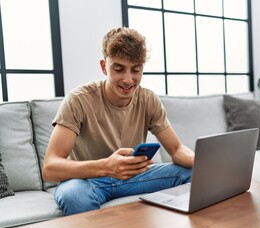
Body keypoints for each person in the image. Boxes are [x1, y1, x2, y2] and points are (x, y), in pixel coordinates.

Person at [42, 27, 194, 216]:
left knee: (197, 175)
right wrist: (106, 166)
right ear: (104, 66)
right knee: (73, 196)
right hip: (89, 180)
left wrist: (203, 161)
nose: (128, 79)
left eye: (136, 69)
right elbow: (50, 167)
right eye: (119, 69)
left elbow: (177, 150)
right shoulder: (78, 100)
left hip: (134, 178)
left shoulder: (148, 99)